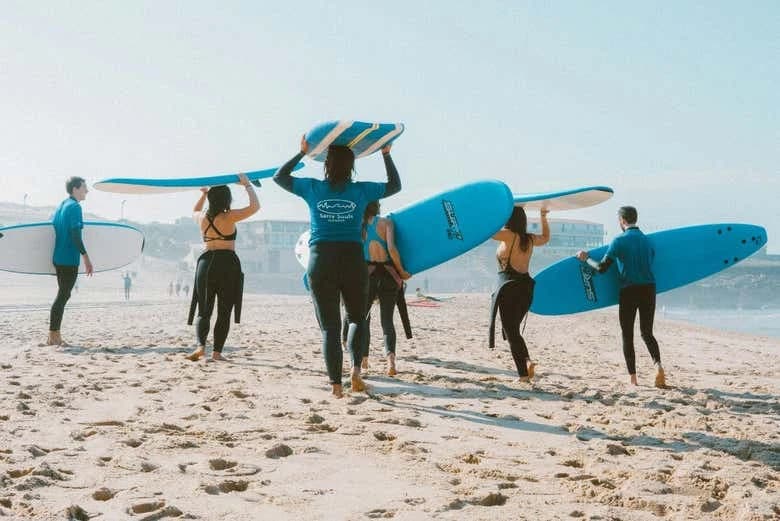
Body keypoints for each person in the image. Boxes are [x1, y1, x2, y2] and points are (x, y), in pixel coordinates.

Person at [274, 136, 401, 398]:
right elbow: (395, 186)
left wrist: (301, 153)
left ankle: (335, 386)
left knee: (330, 328)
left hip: (321, 260)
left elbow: (280, 177)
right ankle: (355, 372)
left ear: (325, 165)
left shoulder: (312, 188)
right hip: (353, 259)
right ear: (352, 167)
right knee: (356, 318)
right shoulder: (362, 191)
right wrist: (386, 154)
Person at [576, 206, 665, 387]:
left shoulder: (618, 241)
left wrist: (586, 258)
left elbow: (601, 268)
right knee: (647, 332)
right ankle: (658, 366)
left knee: (627, 335)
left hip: (629, 290)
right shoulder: (647, 241)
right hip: (649, 288)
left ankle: (633, 378)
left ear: (622, 221)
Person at [185, 174, 259, 362]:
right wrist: (247, 185)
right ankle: (217, 353)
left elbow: (194, 210)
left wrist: (203, 194)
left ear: (211, 199)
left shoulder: (202, 218)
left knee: (204, 310)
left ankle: (201, 347)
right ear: (227, 200)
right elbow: (254, 207)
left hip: (205, 263)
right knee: (224, 310)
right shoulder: (230, 216)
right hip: (227, 263)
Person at [488, 207, 550, 382]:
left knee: (511, 332)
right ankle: (527, 362)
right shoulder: (528, 238)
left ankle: (523, 373)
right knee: (512, 331)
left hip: (509, 288)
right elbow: (545, 238)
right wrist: (543, 217)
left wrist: (497, 212)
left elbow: (490, 233)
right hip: (526, 288)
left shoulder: (508, 235)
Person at [359, 201, 411, 376]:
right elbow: (391, 248)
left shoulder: (359, 225)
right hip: (389, 275)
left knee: (363, 318)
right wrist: (402, 271)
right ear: (378, 207)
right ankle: (391, 363)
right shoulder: (387, 223)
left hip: (368, 276)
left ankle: (364, 360)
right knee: (387, 320)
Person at [48, 176, 94, 346]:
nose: (87, 191)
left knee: (63, 295)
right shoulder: (75, 207)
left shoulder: (61, 206)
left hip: (58, 257)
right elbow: (76, 235)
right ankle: (54, 336)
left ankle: (53, 335)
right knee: (62, 296)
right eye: (84, 188)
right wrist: (86, 257)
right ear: (75, 189)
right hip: (68, 259)